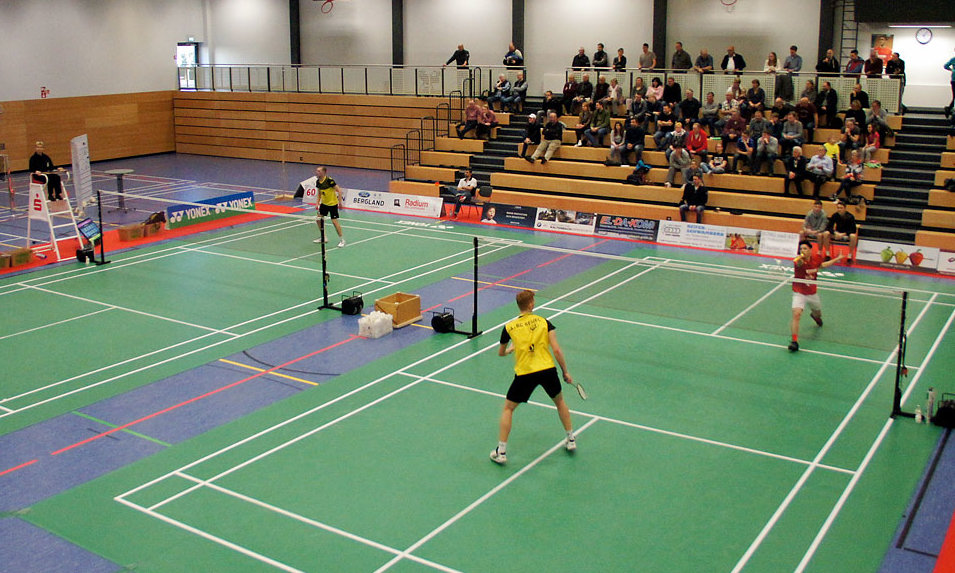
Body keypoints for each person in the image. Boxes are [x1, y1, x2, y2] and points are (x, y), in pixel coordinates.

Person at [491, 289, 576, 465]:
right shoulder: (545, 322)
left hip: (525, 374)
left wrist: (510, 350)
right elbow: (557, 350)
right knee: (560, 402)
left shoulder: (509, 327)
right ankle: (571, 439)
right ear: (530, 304)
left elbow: (500, 352)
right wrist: (565, 372)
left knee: (508, 409)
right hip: (547, 370)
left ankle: (501, 452)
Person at [789, 240, 843, 352]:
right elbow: (798, 264)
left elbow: (822, 265)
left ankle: (815, 317)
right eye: (801, 249)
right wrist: (800, 259)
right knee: (796, 314)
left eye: (805, 249)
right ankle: (794, 341)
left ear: (810, 250)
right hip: (799, 292)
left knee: (818, 314)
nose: (802, 251)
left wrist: (837, 259)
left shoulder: (816, 258)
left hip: (812, 293)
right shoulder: (798, 261)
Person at [312, 166, 345, 247]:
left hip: (332, 204)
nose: (317, 172)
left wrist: (340, 203)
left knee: (334, 222)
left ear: (324, 172)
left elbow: (339, 190)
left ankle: (342, 240)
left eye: (319, 171)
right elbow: (319, 193)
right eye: (317, 171)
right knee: (318, 220)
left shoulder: (329, 180)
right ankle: (324, 237)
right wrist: (317, 203)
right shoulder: (318, 181)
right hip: (324, 204)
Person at [945, 48, 955, 116]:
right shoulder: (953, 59)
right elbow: (945, 66)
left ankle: (949, 109)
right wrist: (951, 70)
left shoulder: (953, 59)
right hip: (954, 80)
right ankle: (949, 109)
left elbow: (946, 66)